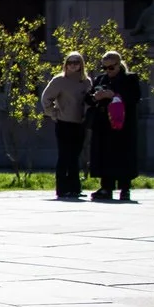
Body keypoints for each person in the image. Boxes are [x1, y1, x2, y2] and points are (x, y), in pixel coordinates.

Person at [87, 49, 144, 203]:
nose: (108, 71)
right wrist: (95, 97)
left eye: (111, 68)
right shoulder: (100, 79)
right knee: (104, 154)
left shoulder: (129, 79)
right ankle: (106, 187)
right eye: (104, 67)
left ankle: (125, 188)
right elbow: (89, 99)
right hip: (104, 124)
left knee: (123, 155)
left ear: (119, 65)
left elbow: (135, 97)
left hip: (123, 125)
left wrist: (113, 95)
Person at [41, 52, 91, 201]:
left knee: (75, 156)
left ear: (81, 64)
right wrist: (54, 114)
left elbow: (89, 100)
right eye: (70, 62)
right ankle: (62, 189)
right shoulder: (59, 80)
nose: (73, 65)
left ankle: (75, 188)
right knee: (64, 155)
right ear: (65, 64)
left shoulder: (86, 82)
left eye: (76, 62)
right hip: (64, 123)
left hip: (80, 123)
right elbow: (46, 98)